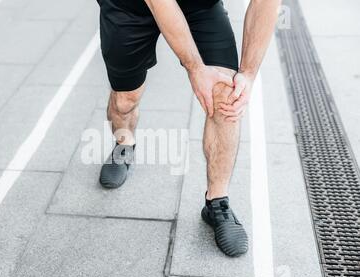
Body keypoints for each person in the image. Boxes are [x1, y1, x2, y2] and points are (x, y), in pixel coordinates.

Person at [96, 0, 280, 257]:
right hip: (130, 7)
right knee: (126, 100)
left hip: (199, 6)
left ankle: (217, 201)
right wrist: (195, 68)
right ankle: (124, 144)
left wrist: (247, 74)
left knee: (226, 93)